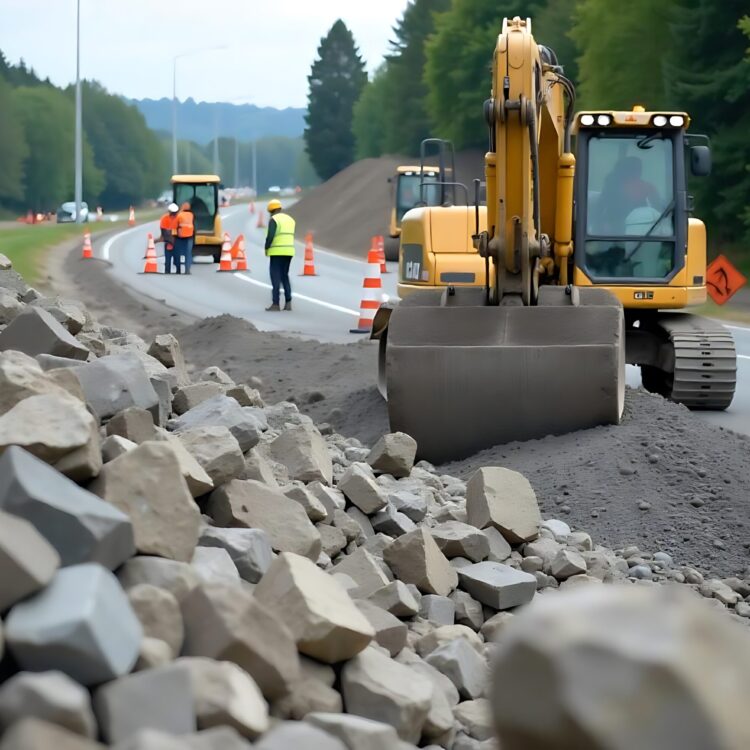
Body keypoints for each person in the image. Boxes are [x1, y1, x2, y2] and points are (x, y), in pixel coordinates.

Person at [597, 156, 662, 235]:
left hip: (640, 229)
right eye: (636, 169)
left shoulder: (646, 187)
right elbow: (604, 207)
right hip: (617, 229)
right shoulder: (612, 185)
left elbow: (659, 210)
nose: (639, 172)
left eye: (639, 169)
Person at [264, 198, 296, 311]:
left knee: (275, 277)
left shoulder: (274, 219)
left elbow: (270, 236)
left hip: (277, 252)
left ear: (270, 210)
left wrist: (266, 247)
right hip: (289, 252)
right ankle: (288, 303)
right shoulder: (290, 219)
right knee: (284, 276)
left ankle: (275, 304)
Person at [157, 203, 180, 274]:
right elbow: (163, 229)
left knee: (176, 256)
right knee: (169, 256)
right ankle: (168, 270)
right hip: (169, 239)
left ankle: (177, 269)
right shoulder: (165, 218)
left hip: (175, 238)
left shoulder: (178, 217)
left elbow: (163, 229)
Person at [175, 201, 195, 275]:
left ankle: (178, 270)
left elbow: (176, 224)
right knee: (188, 254)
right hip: (189, 236)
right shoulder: (191, 215)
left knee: (178, 253)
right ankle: (187, 270)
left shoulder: (179, 215)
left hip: (180, 236)